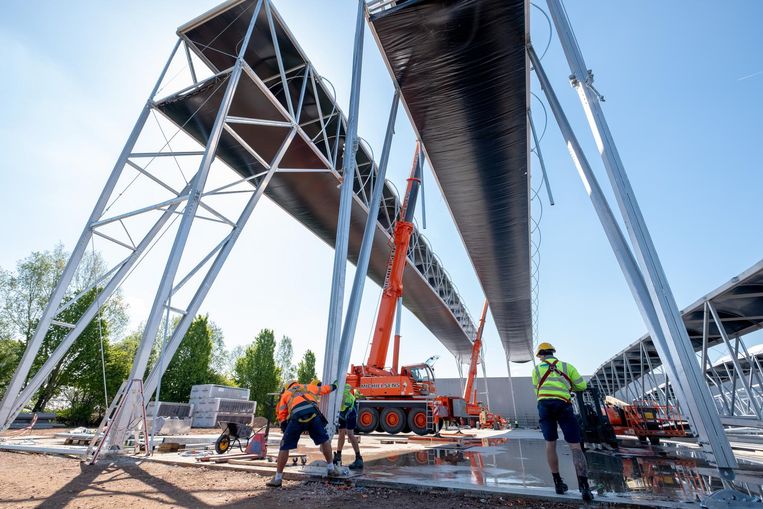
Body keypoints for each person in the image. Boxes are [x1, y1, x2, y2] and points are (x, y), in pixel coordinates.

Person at [531, 342, 593, 502]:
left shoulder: (537, 370)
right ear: (553, 353)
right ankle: (584, 487)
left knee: (550, 444)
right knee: (575, 445)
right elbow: (582, 385)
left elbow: (536, 390)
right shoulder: (567, 367)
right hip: (563, 404)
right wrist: (568, 387)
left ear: (541, 355)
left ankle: (558, 483)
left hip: (544, 405)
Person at [267, 380, 341, 487]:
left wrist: (284, 426)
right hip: (313, 414)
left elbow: (281, 414)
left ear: (287, 387)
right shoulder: (307, 387)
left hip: (297, 417)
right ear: (297, 383)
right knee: (324, 440)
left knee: (284, 446)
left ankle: (278, 478)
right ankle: (331, 468)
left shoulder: (286, 394)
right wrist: (334, 386)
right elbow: (323, 389)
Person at [333, 383, 364, 469]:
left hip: (350, 409)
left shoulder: (337, 389)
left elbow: (341, 402)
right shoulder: (337, 386)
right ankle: (338, 456)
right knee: (341, 432)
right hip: (343, 410)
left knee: (350, 433)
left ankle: (358, 459)